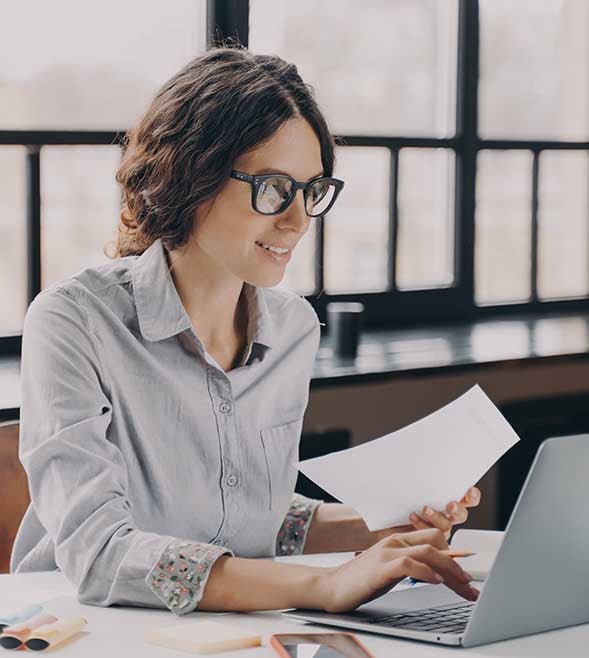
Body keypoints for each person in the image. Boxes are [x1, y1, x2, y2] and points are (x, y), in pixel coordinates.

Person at [11, 47, 481, 616]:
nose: (297, 220)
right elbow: (99, 552)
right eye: (273, 187)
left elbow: (251, 520)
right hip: (77, 630)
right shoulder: (73, 322)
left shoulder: (292, 329)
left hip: (224, 630)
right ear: (192, 173)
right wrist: (326, 586)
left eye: (311, 190)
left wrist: (388, 525)